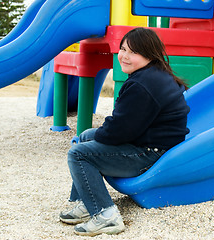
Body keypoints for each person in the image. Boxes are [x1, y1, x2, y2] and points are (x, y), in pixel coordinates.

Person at [59, 27, 190, 236]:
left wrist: (103, 133)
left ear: (149, 54)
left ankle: (106, 216)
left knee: (78, 153)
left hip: (149, 153)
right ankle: (87, 201)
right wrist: (102, 133)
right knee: (85, 137)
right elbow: (125, 125)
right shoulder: (154, 74)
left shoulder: (143, 84)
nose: (124, 56)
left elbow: (119, 131)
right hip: (152, 141)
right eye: (122, 49)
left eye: (133, 52)